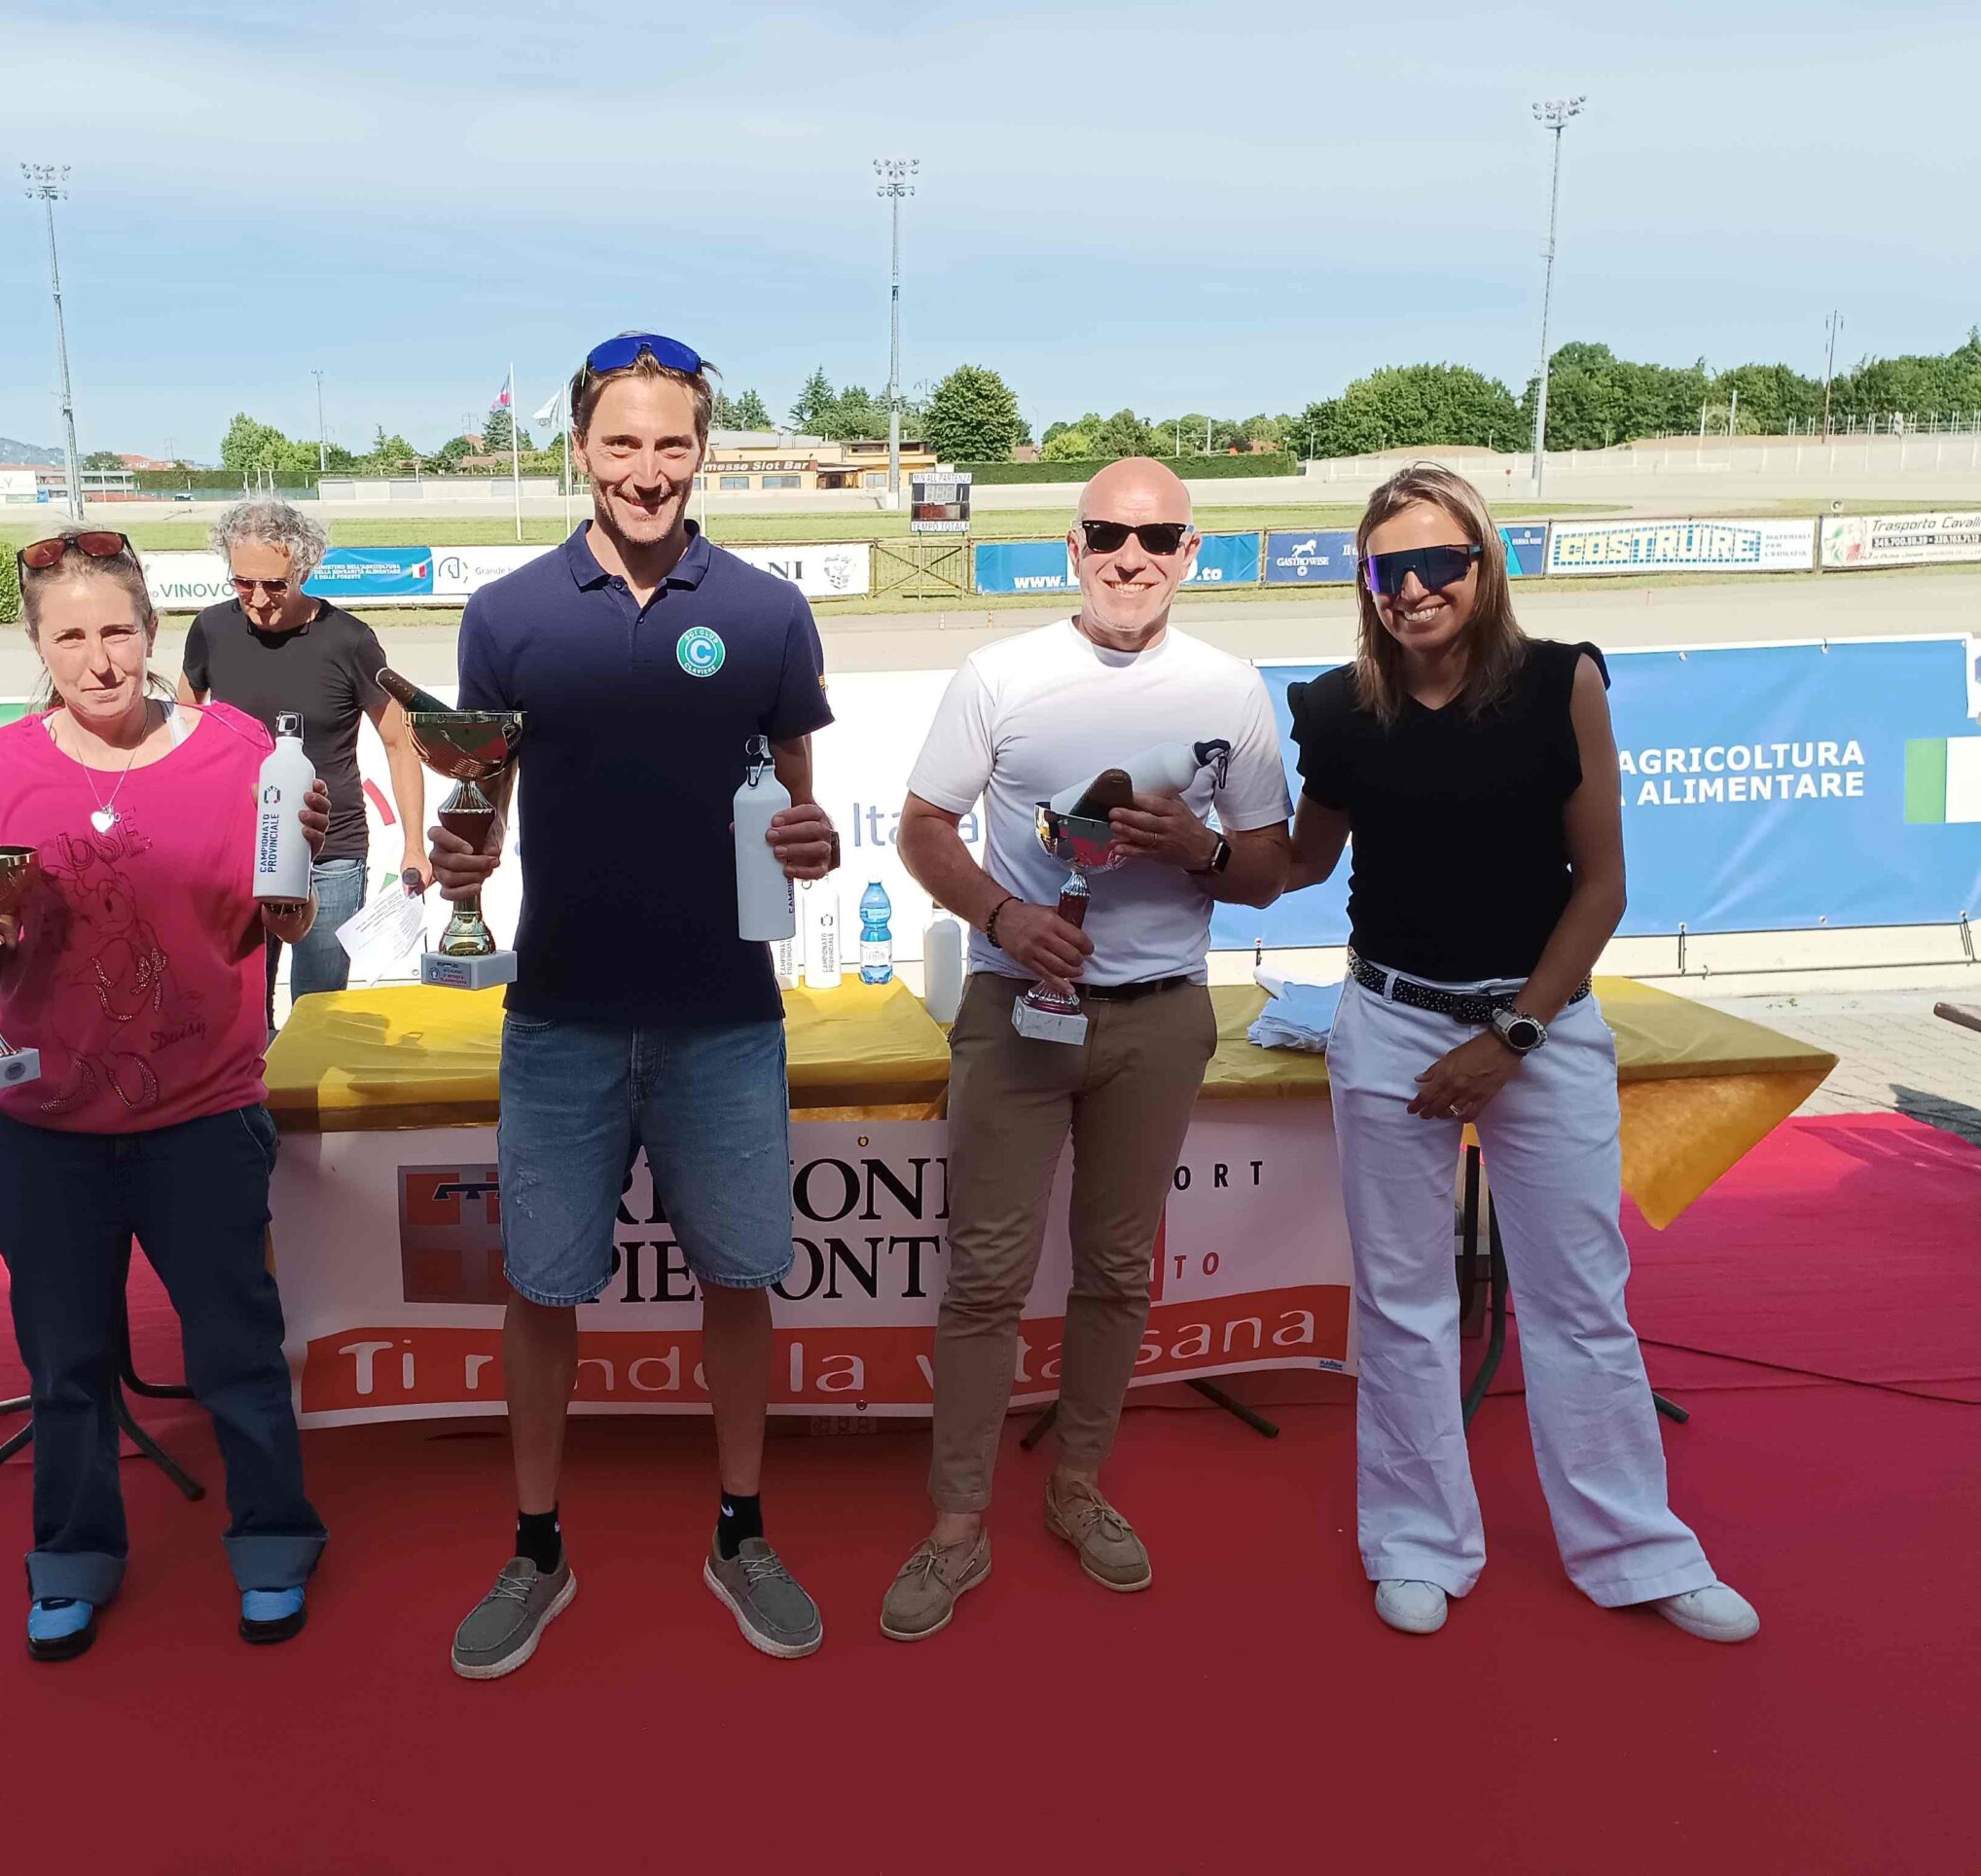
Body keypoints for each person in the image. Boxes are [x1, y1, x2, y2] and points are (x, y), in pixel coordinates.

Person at [1281, 464, 1758, 1643]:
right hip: (1388, 1020)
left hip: (1537, 1021)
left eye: (1438, 561)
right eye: (1389, 567)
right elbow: (1295, 863)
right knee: (1401, 1300)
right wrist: (1184, 847)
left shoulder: (1561, 681)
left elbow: (1602, 886)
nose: (1413, 587)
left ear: (1483, 565)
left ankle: (1633, 1546)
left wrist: (1508, 1038)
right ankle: (1416, 1539)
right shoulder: (1338, 709)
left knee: (1579, 1297)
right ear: (1364, 580)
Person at [427, 334, 841, 1678]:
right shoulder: (508, 616)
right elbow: (480, 793)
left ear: (703, 451)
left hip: (726, 1015)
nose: (647, 471)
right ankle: (537, 1546)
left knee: (741, 1282)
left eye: (671, 444)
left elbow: (797, 802)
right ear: (580, 449)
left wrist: (813, 840)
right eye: (621, 442)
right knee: (542, 1291)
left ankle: (741, 1531)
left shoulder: (768, 613)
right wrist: (460, 857)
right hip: (559, 1014)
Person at [878, 458, 1293, 1642]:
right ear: (1072, 545)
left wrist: (1199, 850)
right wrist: (1002, 916)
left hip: (1159, 1013)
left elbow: (1267, 870)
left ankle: (1076, 1484)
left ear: (1190, 553)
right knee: (985, 1277)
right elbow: (922, 826)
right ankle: (957, 1522)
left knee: (1116, 1269)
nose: (1130, 558)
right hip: (1018, 1001)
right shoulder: (1001, 674)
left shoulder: (1229, 687)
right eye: (1107, 533)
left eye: (1156, 539)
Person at [0, 528, 332, 1663]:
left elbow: (282, 917)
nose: (100, 660)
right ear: (36, 643)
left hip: (200, 1114)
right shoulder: (2, 763)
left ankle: (273, 1537)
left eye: (118, 630)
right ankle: (70, 1558)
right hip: (46, 1125)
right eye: (70, 636)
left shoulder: (240, 749)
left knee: (236, 1352)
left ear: (153, 630)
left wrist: (300, 878)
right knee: (65, 1363)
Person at [179, 497, 429, 1015]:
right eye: (242, 582)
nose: (258, 599)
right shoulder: (210, 629)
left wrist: (413, 846)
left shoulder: (350, 641)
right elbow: (185, 727)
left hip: (332, 853)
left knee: (318, 1013)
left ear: (305, 571)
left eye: (275, 585)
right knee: (243, 1010)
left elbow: (399, 742)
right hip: (240, 848)